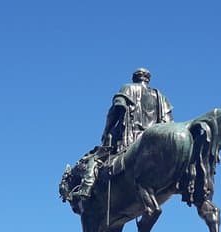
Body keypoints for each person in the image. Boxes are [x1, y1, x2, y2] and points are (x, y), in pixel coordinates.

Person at [73, 68, 174, 203]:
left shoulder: (127, 88)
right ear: (147, 79)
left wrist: (107, 130)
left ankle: (86, 188)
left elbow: (117, 108)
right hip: (153, 143)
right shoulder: (160, 97)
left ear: (135, 78)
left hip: (130, 138)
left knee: (95, 160)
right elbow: (168, 123)